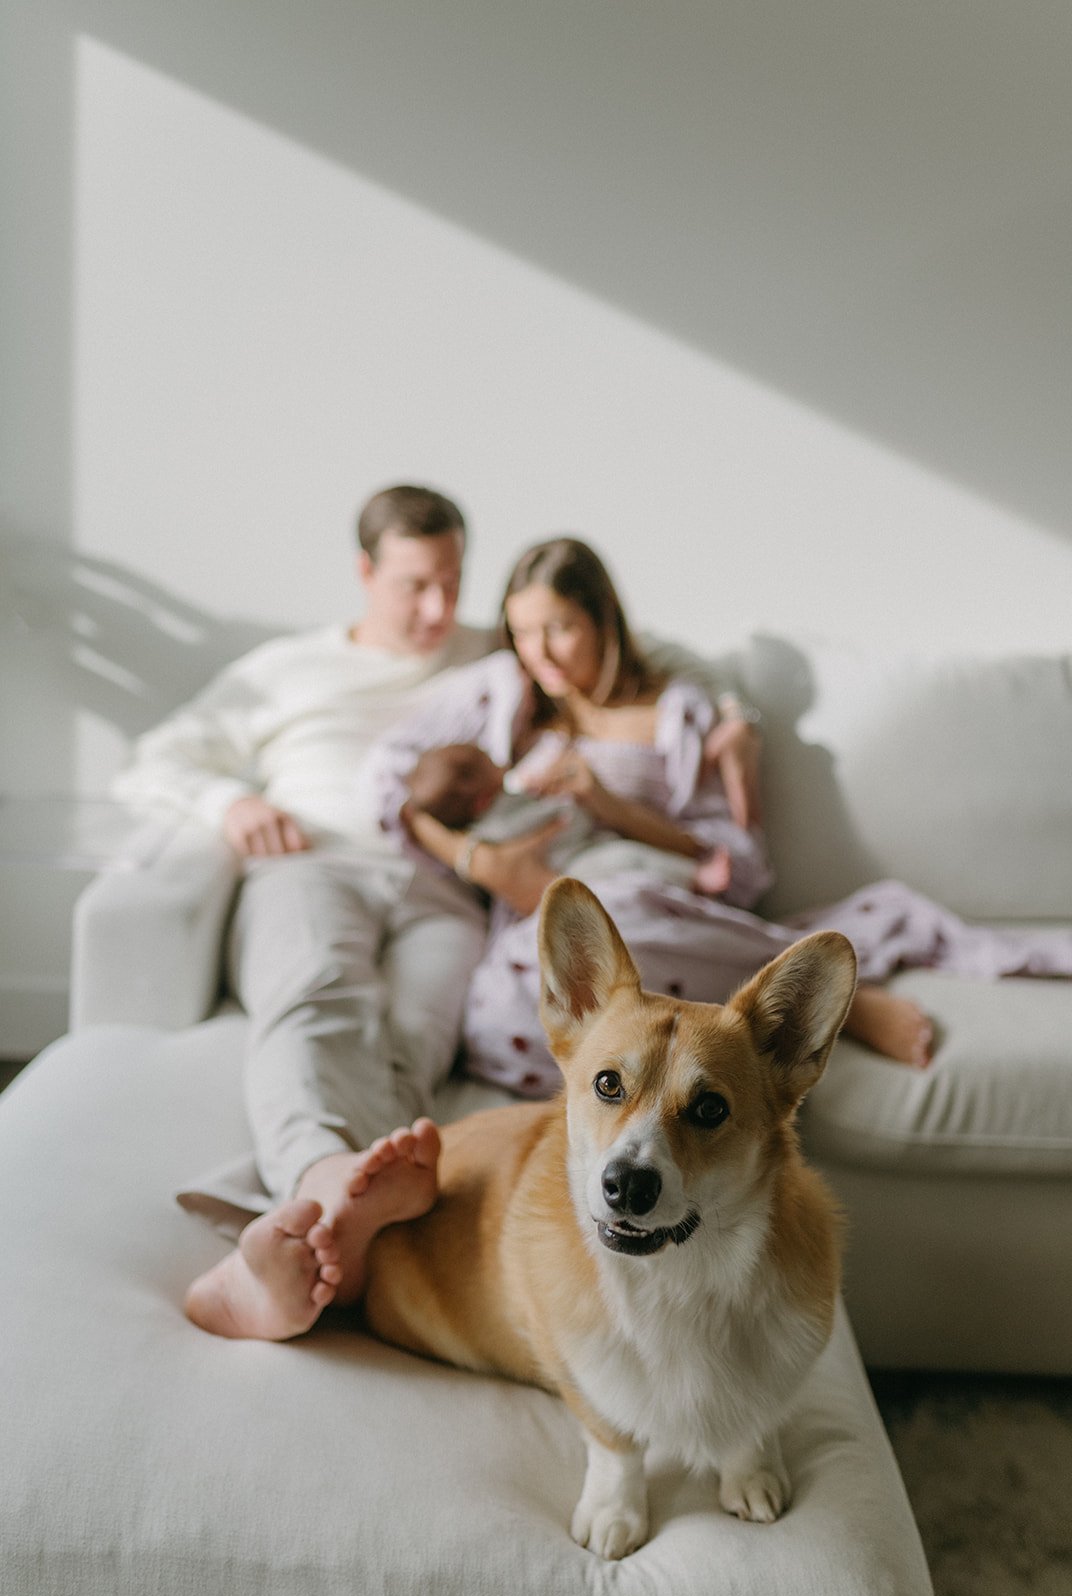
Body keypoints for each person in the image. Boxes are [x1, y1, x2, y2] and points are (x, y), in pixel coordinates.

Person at [116, 494, 762, 1339]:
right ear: (365, 573)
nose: (436, 609)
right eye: (415, 585)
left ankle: (346, 1218)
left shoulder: (500, 651)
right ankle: (321, 1188)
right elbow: (155, 758)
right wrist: (230, 802)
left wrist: (735, 712)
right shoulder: (286, 668)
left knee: (422, 1028)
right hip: (320, 860)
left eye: (452, 584)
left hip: (442, 895)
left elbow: (644, 653)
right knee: (320, 992)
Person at [372, 537, 1072, 1099]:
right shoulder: (507, 706)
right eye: (523, 633)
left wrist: (610, 807)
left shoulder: (679, 713)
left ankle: (831, 1006)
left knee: (615, 910)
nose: (541, 653)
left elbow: (737, 867)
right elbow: (395, 787)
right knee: (500, 1020)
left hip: (663, 914)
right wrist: (478, 861)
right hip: (551, 938)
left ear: (603, 621)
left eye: (560, 628)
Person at [401, 739, 771, 900]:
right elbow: (520, 828)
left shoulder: (502, 799)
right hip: (574, 865)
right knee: (628, 859)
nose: (502, 764)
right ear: (482, 799)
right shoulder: (492, 828)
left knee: (628, 854)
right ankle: (696, 879)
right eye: (490, 764)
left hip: (586, 845)